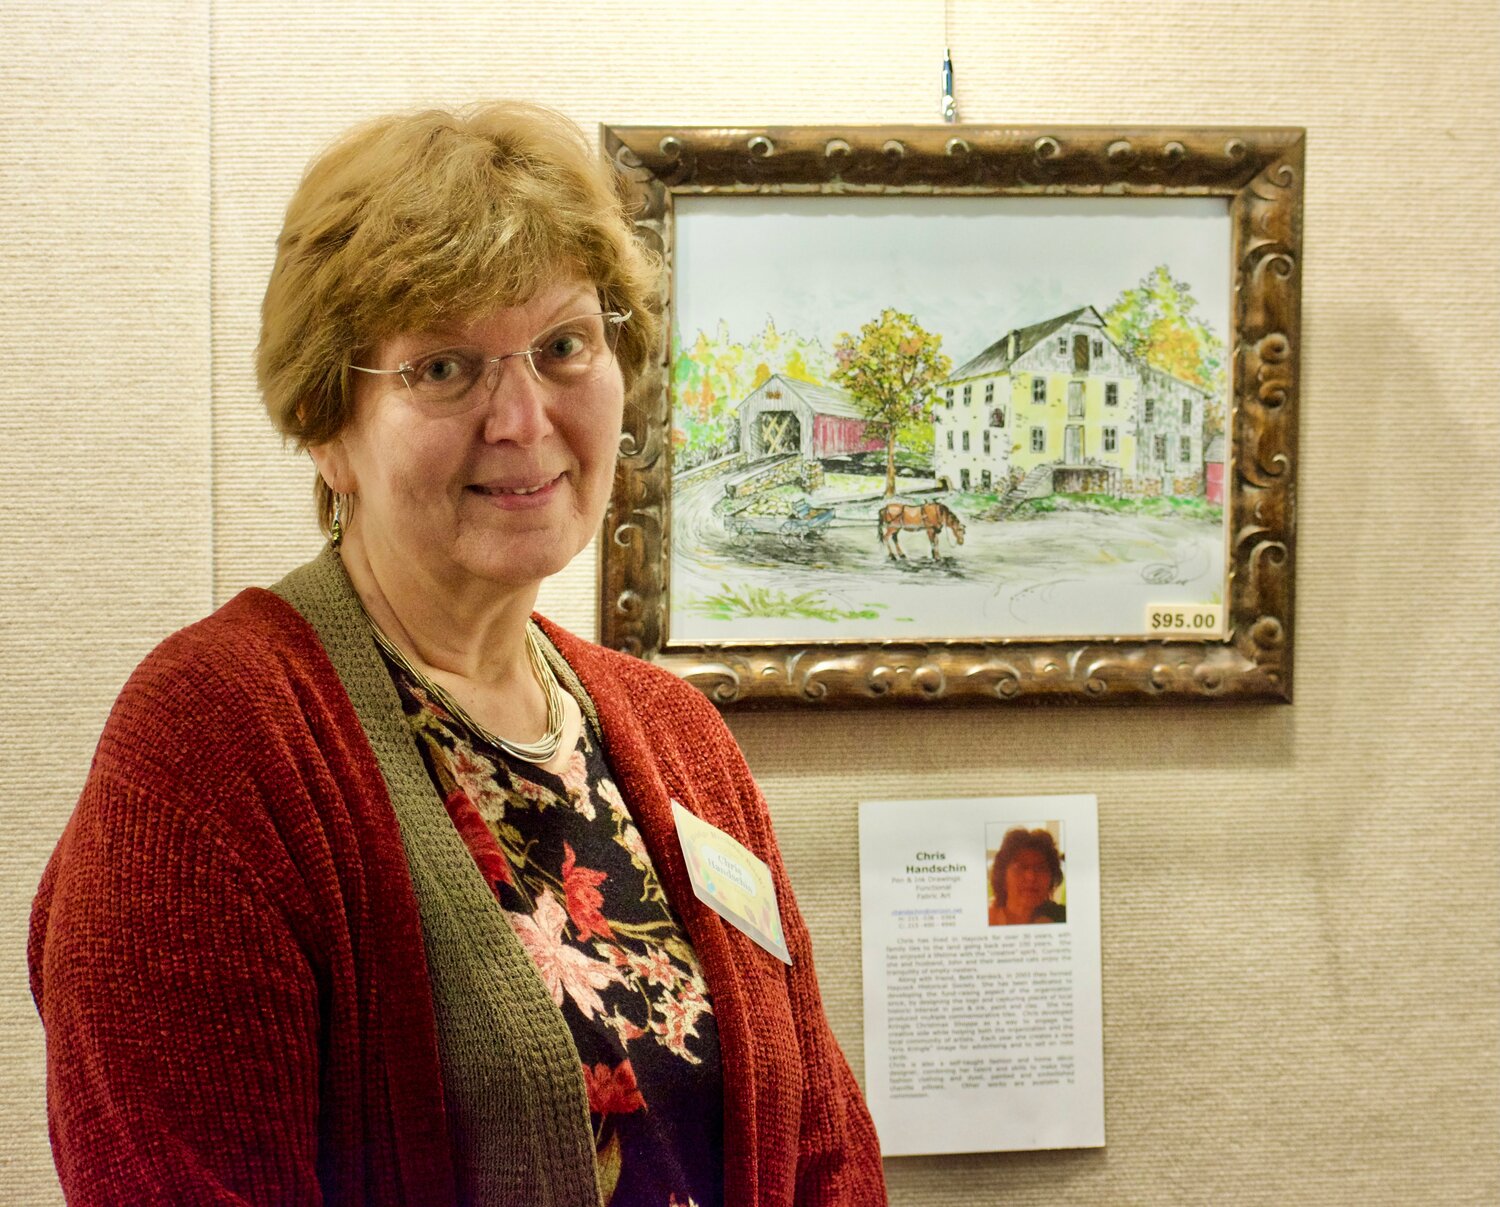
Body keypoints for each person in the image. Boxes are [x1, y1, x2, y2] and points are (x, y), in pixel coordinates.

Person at [28, 102, 886, 1206]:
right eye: (444, 366)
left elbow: (823, 1147)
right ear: (326, 422)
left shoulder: (679, 737)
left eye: (565, 346)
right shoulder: (213, 746)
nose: (525, 416)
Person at [987, 827, 1065, 926]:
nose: (1031, 877)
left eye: (1041, 868)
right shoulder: (985, 919)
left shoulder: (1064, 917)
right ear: (1002, 876)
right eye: (1020, 867)